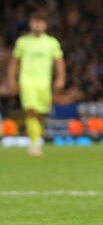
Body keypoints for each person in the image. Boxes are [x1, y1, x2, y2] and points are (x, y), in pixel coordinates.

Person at [7, 12, 66, 156]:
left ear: (45, 24)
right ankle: (34, 143)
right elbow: (14, 62)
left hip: (44, 83)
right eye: (35, 22)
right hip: (27, 81)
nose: (38, 25)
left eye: (40, 22)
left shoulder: (52, 42)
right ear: (30, 23)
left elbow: (59, 62)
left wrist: (61, 78)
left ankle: (37, 138)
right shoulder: (23, 42)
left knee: (41, 114)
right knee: (31, 110)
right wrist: (12, 79)